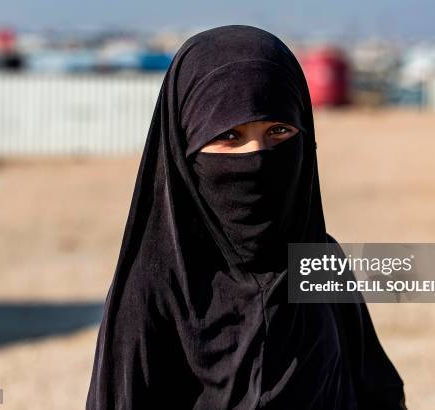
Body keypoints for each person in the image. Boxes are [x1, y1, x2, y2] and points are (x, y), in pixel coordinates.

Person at [86, 25, 406, 409]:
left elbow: (376, 389)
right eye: (230, 136)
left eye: (279, 130)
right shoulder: (154, 290)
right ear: (184, 150)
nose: (257, 157)